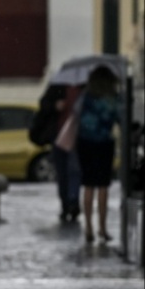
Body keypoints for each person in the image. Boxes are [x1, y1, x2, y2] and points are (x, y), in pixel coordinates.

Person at [74, 65, 119, 244]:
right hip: (104, 144)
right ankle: (102, 227)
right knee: (103, 185)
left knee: (88, 184)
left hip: (85, 143)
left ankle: (88, 228)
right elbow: (120, 118)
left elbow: (75, 114)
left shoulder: (86, 96)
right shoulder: (113, 98)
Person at [34, 83, 82, 221]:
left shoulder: (83, 90)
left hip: (77, 136)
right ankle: (66, 204)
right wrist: (55, 106)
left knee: (74, 170)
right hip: (58, 136)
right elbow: (44, 105)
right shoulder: (57, 88)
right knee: (62, 173)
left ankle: (73, 202)